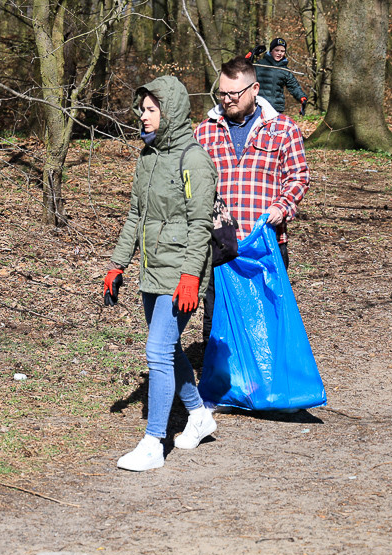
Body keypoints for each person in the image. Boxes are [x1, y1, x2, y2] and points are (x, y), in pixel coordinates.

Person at [105, 76, 220, 472]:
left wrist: (190, 276)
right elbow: (136, 215)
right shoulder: (148, 158)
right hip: (152, 270)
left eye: (152, 109)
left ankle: (154, 442)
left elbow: (201, 224)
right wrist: (118, 264)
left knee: (156, 352)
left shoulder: (194, 160)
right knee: (168, 349)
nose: (144, 115)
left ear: (169, 112)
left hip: (182, 273)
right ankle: (199, 414)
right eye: (143, 109)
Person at [195, 56, 311, 339]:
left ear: (255, 89)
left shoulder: (283, 128)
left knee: (266, 324)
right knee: (217, 323)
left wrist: (282, 207)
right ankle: (220, 381)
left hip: (265, 244)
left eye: (234, 93)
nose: (228, 100)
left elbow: (298, 177)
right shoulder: (203, 132)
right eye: (223, 93)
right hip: (218, 247)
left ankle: (265, 381)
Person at [251, 37, 308, 116]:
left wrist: (302, 98)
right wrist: (249, 59)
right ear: (271, 51)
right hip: (258, 106)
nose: (279, 53)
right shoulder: (258, 65)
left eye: (282, 51)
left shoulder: (285, 70)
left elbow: (294, 86)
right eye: (276, 50)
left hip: (275, 108)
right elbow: (244, 76)